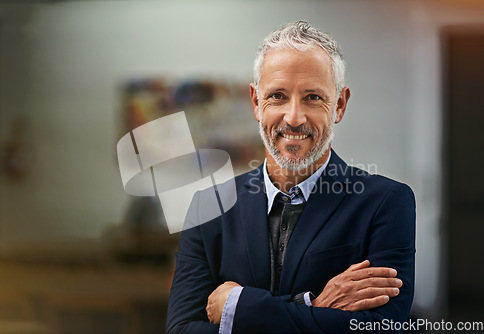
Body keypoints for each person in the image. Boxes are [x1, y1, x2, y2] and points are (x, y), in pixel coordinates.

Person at [166, 20, 415, 334]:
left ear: (339, 105)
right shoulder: (208, 207)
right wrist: (311, 307)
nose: (294, 117)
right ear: (256, 102)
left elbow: (381, 328)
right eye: (278, 96)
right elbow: (182, 330)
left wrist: (238, 307)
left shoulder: (385, 203)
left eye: (312, 97)